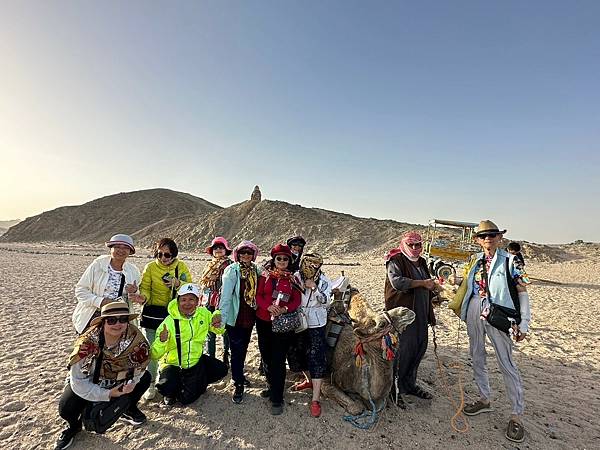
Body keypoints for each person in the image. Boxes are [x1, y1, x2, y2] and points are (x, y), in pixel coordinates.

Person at [460, 220, 531, 443]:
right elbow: (467, 285)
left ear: (500, 238)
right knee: (477, 355)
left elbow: (522, 290)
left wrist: (525, 323)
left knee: (506, 363)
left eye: (492, 235)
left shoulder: (512, 261)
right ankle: (484, 399)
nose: (487, 239)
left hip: (500, 314)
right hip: (474, 308)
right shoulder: (475, 260)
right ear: (477, 240)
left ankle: (517, 415)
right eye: (483, 236)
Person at [55, 302, 151, 450]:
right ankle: (74, 427)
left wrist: (132, 381)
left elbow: (141, 365)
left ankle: (128, 409)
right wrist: (107, 394)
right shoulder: (87, 343)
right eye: (112, 320)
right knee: (66, 408)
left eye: (123, 319)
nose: (117, 324)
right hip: (90, 381)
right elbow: (78, 381)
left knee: (145, 379)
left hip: (119, 379)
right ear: (103, 321)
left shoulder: (135, 337)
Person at [130, 238, 192, 401]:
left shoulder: (181, 267)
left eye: (167, 255)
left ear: (174, 254)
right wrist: (143, 298)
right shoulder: (150, 267)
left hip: (173, 316)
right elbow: (145, 288)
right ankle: (150, 384)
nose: (163, 258)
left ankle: (168, 386)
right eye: (159, 254)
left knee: (172, 351)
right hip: (152, 314)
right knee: (152, 350)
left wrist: (177, 283)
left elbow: (189, 289)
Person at [384, 231, 437, 408]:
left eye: (418, 245)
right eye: (411, 245)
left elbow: (428, 284)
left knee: (418, 349)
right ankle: (393, 390)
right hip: (403, 317)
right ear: (404, 245)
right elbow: (397, 282)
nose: (415, 248)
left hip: (421, 314)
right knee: (402, 353)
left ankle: (409, 385)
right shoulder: (396, 260)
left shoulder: (421, 262)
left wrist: (435, 292)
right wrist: (422, 283)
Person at [151, 283, 228, 406]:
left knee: (221, 369)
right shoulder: (169, 322)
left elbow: (219, 330)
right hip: (173, 364)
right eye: (183, 300)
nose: (187, 303)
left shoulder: (203, 314)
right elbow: (154, 354)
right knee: (168, 388)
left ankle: (199, 383)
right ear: (177, 301)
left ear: (197, 301)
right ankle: (171, 393)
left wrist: (217, 317)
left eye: (192, 299)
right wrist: (161, 341)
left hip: (194, 361)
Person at [256, 244, 302, 415]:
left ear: (289, 261)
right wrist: (268, 307)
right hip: (264, 321)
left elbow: (297, 300)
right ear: (274, 260)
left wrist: (284, 309)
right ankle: (271, 385)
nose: (282, 261)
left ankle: (277, 398)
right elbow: (258, 295)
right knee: (266, 356)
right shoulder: (265, 276)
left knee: (278, 359)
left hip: (282, 324)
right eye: (279, 258)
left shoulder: (293, 279)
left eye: (285, 259)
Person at [219, 240, 262, 404]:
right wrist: (222, 318)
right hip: (234, 317)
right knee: (236, 350)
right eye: (242, 252)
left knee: (243, 348)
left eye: (249, 253)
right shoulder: (231, 271)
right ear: (237, 254)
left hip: (249, 317)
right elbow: (226, 296)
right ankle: (237, 382)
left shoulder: (256, 271)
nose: (245, 255)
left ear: (253, 255)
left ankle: (239, 375)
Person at [73, 234, 141, 334]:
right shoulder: (98, 265)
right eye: (117, 247)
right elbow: (80, 291)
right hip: (94, 316)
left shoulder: (133, 271)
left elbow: (135, 296)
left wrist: (134, 292)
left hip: (119, 318)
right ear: (110, 248)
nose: (121, 250)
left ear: (130, 251)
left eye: (126, 248)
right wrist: (102, 301)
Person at [292, 253, 332, 417]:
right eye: (308, 265)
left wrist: (314, 288)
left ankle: (315, 399)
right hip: (299, 321)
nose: (311, 268)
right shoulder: (295, 277)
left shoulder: (324, 280)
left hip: (317, 322)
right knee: (297, 353)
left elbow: (326, 300)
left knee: (316, 356)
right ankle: (308, 381)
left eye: (315, 266)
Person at [200, 237, 233, 368]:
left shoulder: (230, 265)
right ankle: (211, 358)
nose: (218, 250)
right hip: (209, 301)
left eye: (221, 247)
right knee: (210, 331)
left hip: (223, 301)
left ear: (226, 250)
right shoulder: (209, 265)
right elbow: (204, 284)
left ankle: (226, 355)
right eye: (215, 248)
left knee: (225, 330)